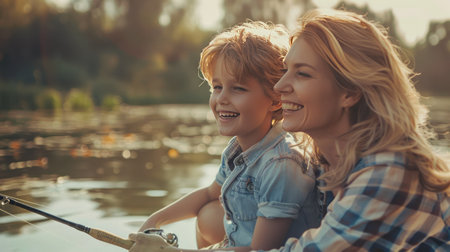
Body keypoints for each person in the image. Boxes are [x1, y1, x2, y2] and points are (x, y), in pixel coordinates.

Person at [128, 9, 450, 252]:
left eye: (302, 74)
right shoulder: (326, 162)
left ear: (350, 93)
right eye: (285, 71)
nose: (280, 87)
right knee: (213, 214)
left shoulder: (385, 173)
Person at [134, 21, 321, 251]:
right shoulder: (238, 148)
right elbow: (209, 193)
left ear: (275, 100)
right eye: (217, 87)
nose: (222, 98)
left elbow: (259, 251)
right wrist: (153, 221)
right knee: (208, 212)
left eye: (238, 89)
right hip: (241, 241)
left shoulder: (281, 164)